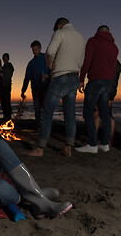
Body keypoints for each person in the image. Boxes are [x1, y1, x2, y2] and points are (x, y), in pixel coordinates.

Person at [26, 17, 85, 157]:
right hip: (74, 77)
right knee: (70, 114)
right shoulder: (81, 37)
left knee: (47, 111)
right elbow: (82, 59)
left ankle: (40, 148)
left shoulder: (60, 33)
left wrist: (50, 65)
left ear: (59, 26)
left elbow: (50, 51)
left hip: (61, 77)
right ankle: (68, 147)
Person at [75, 25, 119, 153]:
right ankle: (105, 144)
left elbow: (87, 60)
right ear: (109, 32)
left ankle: (92, 144)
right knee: (105, 113)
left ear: (98, 32)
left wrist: (81, 79)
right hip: (107, 82)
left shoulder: (93, 41)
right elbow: (113, 67)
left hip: (95, 80)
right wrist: (109, 80)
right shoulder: (114, 47)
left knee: (88, 111)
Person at [21, 40, 50, 130]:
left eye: (36, 49)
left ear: (40, 48)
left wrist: (48, 76)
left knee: (46, 108)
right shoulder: (31, 63)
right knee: (37, 108)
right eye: (33, 50)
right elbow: (27, 78)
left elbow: (55, 70)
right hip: (35, 89)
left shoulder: (47, 58)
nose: (34, 51)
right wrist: (23, 90)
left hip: (46, 87)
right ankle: (39, 126)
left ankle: (46, 126)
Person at [94, 60, 121, 145]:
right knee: (107, 113)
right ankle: (108, 141)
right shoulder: (117, 64)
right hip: (111, 90)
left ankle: (93, 139)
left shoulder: (107, 62)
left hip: (104, 89)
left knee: (96, 113)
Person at [1, 53, 14, 121]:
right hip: (3, 86)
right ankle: (5, 116)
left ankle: (8, 117)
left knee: (7, 101)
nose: (4, 59)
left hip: (7, 85)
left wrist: (3, 77)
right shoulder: (3, 67)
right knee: (3, 101)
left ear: (8, 58)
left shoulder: (9, 66)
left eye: (5, 58)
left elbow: (9, 75)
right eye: (3, 58)